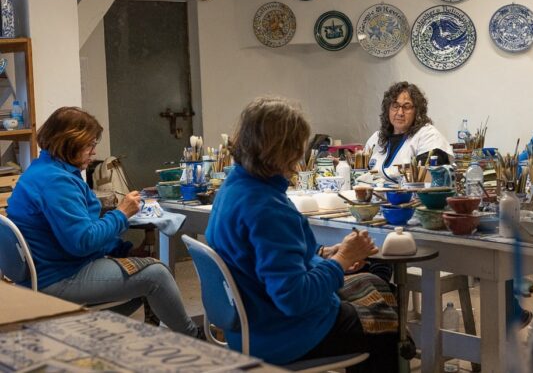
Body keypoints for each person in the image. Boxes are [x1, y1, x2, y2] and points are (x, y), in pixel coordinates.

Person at [206, 97, 399, 372]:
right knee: (385, 321)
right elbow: (293, 298)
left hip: (253, 325)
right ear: (283, 150)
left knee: (371, 280)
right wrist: (341, 261)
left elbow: (268, 260)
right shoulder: (266, 208)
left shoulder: (234, 187)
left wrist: (322, 254)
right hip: (283, 335)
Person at [6, 107, 199, 337]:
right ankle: (193, 337)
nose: (94, 152)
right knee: (156, 274)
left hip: (51, 269)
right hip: (58, 278)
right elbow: (82, 242)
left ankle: (84, 332)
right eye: (89, 146)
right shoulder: (55, 181)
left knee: (144, 275)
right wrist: (121, 213)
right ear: (69, 143)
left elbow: (84, 226)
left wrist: (124, 251)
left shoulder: (46, 169)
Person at [365, 81, 453, 183]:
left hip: (413, 197)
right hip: (374, 197)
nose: (400, 113)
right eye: (395, 106)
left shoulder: (429, 135)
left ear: (417, 111)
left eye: (406, 107)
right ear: (387, 108)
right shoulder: (376, 138)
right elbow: (361, 174)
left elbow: (426, 179)